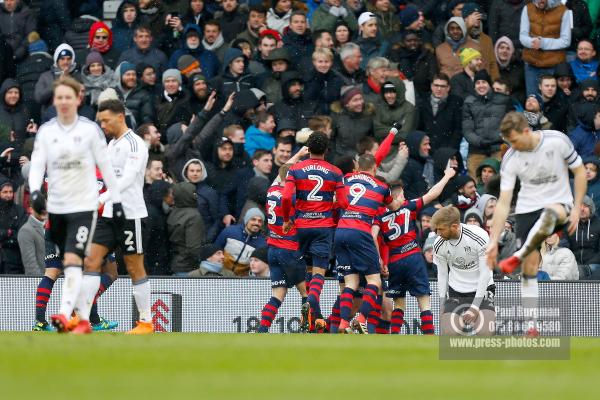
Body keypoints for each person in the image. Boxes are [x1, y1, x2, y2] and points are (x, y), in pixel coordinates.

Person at [28, 76, 123, 334]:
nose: (64, 102)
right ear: (54, 100)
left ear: (78, 99)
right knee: (65, 268)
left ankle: (65, 316)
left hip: (82, 211)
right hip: (56, 212)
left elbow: (106, 168)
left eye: (68, 97)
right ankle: (71, 317)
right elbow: (37, 165)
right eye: (59, 97)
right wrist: (36, 192)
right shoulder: (47, 131)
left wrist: (115, 200)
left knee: (74, 263)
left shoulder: (90, 131)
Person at [486, 112, 586, 336]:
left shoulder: (557, 141)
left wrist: (578, 205)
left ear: (526, 131)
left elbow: (579, 171)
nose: (512, 146)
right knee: (530, 266)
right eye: (508, 142)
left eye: (514, 141)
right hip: (527, 209)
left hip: (560, 203)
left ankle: (518, 254)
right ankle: (532, 326)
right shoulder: (511, 158)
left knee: (552, 212)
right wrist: (493, 241)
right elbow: (503, 203)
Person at [87, 99, 152, 335]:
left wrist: (102, 198)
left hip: (130, 214)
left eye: (106, 120)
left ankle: (145, 322)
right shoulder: (111, 144)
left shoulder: (135, 144)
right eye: (100, 121)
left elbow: (127, 178)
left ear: (120, 117)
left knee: (134, 267)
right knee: (91, 262)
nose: (102, 125)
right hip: (107, 214)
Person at [372, 166, 456, 335]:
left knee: (399, 304)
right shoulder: (407, 207)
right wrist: (447, 176)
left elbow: (373, 235)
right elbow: (432, 194)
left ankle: (394, 337)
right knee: (424, 301)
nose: (404, 198)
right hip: (413, 257)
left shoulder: (379, 214)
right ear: (395, 197)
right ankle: (429, 336)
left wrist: (379, 259)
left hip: (395, 261)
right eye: (402, 195)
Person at [335, 154, 406, 334]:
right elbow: (393, 207)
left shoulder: (346, 178)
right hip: (361, 230)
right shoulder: (382, 187)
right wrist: (400, 200)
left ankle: (343, 323)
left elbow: (334, 199)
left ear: (357, 167)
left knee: (350, 282)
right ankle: (361, 319)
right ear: (375, 169)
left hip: (341, 231)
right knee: (374, 280)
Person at [282, 132, 345, 331]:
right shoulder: (335, 172)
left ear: (307, 148)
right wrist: (331, 203)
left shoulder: (295, 169)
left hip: (301, 226)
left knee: (308, 270)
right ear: (327, 149)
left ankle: (312, 314)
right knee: (319, 271)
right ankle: (311, 301)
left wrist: (286, 219)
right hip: (323, 227)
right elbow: (343, 202)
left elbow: (285, 198)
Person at [258, 148, 309, 332]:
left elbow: (284, 172)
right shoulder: (293, 197)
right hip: (289, 249)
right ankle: (307, 328)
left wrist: (300, 154)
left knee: (278, 294)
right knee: (307, 292)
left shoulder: (272, 189)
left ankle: (262, 330)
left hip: (273, 249)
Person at [433, 205, 496, 336]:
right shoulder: (439, 244)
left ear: (455, 226)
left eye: (441, 230)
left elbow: (485, 273)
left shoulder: (479, 235)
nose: (438, 234)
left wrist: (475, 307)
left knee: (485, 332)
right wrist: (442, 302)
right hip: (456, 290)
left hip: (482, 288)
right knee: (449, 332)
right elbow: (443, 274)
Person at [520, 0, 571, 95]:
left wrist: (543, 43)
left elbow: (566, 41)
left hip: (553, 65)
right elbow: (522, 36)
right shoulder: (527, 8)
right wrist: (532, 42)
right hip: (532, 64)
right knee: (532, 100)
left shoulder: (564, 11)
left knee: (552, 102)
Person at [215, 207, 267, 276]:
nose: (256, 223)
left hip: (242, 280)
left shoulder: (262, 244)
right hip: (221, 274)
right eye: (253, 219)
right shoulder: (230, 231)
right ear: (246, 220)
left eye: (260, 221)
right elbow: (216, 250)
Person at [168, 181, 205, 275]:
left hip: (175, 262)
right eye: (193, 193)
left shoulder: (173, 211)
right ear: (187, 195)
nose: (195, 195)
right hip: (188, 267)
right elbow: (194, 248)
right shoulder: (193, 216)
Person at [565, 194, 600, 279]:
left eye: (585, 206)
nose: (582, 209)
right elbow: (564, 247)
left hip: (594, 264)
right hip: (574, 264)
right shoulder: (568, 225)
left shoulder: (598, 224)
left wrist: (588, 266)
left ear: (591, 209)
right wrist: (575, 263)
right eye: (579, 206)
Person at [0, 179, 26, 274]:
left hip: (14, 261)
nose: (8, 195)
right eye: (5, 192)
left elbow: (22, 235)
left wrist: (5, 237)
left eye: (10, 192)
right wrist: (8, 232)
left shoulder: (19, 211)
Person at [17, 204, 45, 276]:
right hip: (43, 282)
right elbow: (30, 266)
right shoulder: (26, 230)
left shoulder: (54, 225)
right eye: (40, 207)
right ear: (31, 209)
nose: (43, 210)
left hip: (60, 279)